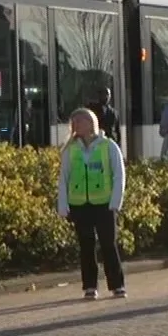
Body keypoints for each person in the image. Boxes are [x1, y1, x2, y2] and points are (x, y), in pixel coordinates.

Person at [57, 108, 128, 299]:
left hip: (104, 204)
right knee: (86, 246)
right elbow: (64, 179)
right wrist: (63, 205)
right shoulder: (70, 149)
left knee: (108, 245)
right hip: (80, 204)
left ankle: (117, 285)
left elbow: (119, 175)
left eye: (79, 121)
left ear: (91, 123)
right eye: (74, 123)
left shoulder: (108, 146)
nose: (76, 125)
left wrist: (116, 201)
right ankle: (90, 286)